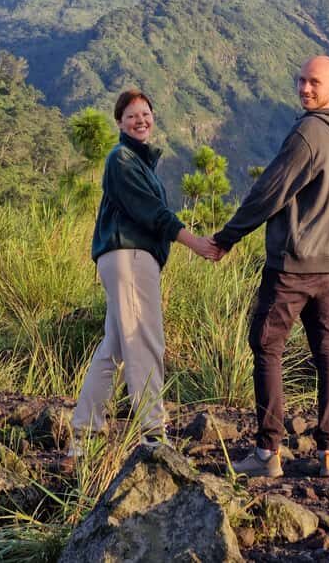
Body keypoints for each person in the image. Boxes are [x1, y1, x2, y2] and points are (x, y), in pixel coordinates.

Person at [210, 56, 329, 478]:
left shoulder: (308, 133)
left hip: (294, 264)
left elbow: (268, 193)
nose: (305, 89)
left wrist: (226, 237)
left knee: (267, 345)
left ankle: (267, 452)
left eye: (314, 82)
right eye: (301, 80)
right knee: (328, 353)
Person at [70, 88, 219, 455]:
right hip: (130, 256)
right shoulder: (121, 158)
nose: (140, 120)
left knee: (115, 347)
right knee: (145, 341)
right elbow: (153, 213)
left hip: (124, 257)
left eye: (145, 114)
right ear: (120, 123)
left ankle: (83, 435)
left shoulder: (137, 162)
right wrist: (195, 242)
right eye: (131, 115)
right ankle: (153, 434)